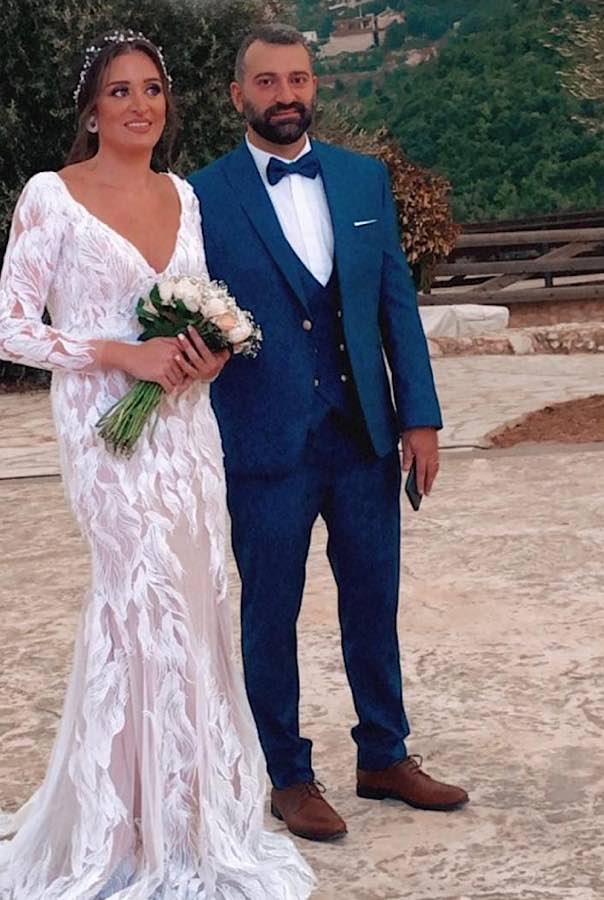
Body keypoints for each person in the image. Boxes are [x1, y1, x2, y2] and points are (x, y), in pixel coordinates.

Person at [0, 30, 315, 899]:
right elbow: (13, 330)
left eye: (153, 89)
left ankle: (187, 820)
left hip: (188, 432)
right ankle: (117, 828)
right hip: (107, 436)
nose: (140, 105)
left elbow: (198, 316)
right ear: (92, 109)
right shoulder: (50, 196)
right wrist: (121, 354)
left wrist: (206, 355)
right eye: (120, 91)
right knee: (139, 601)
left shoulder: (184, 196)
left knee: (197, 601)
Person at [189, 23, 469, 844]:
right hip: (263, 444)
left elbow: (395, 306)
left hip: (363, 439)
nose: (286, 96)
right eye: (267, 82)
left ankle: (384, 754)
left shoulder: (362, 179)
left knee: (374, 602)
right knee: (269, 614)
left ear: (315, 85)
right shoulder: (200, 196)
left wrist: (419, 416)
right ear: (238, 95)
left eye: (298, 79)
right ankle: (286, 774)